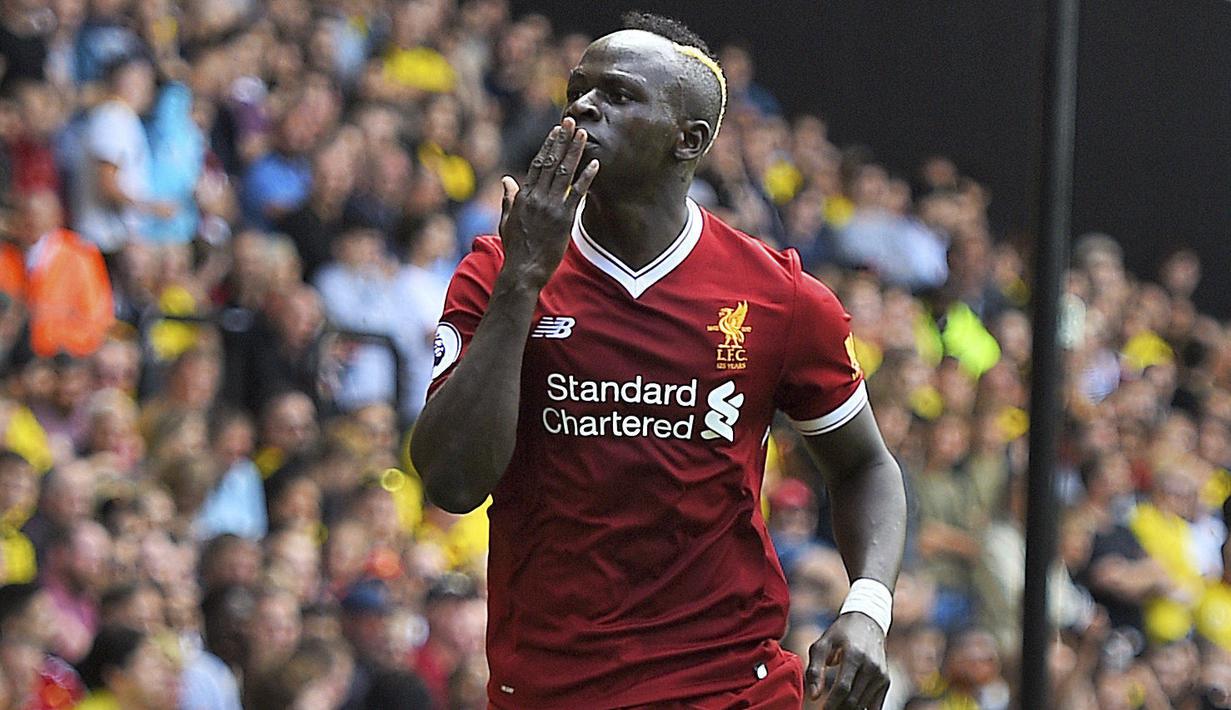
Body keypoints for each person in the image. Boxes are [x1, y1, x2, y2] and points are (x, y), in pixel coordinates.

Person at [411, 13, 906, 709]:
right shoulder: (498, 269)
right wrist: (522, 280)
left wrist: (867, 606)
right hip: (553, 688)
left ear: (689, 139)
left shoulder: (780, 297)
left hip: (729, 686)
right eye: (576, 89)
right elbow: (452, 482)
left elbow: (863, 466)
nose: (583, 105)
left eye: (616, 94)